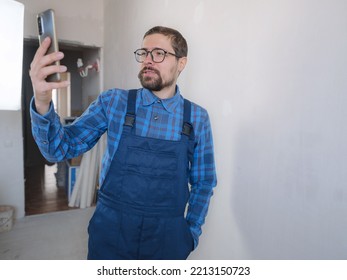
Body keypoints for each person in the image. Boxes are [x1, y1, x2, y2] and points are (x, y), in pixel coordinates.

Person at [29, 26, 217, 260]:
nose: (148, 60)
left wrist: (190, 233)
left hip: (167, 240)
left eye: (159, 53)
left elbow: (204, 182)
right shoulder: (114, 102)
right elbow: (58, 149)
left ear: (181, 63)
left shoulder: (197, 118)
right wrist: (42, 101)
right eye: (144, 53)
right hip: (111, 233)